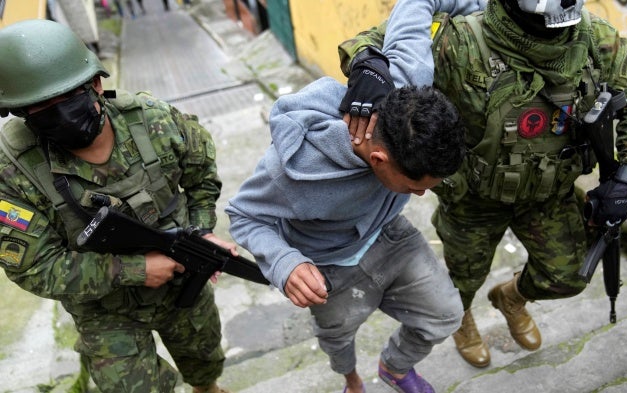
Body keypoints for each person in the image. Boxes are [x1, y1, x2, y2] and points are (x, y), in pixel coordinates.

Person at [338, 0, 627, 368]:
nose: (556, 33)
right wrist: (369, 64)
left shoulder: (594, 39)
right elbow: (374, 41)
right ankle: (462, 319)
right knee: (462, 280)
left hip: (547, 194)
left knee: (568, 276)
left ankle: (511, 298)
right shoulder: (459, 39)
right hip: (473, 198)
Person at [0, 19, 232, 393]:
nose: (60, 114)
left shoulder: (151, 119)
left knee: (205, 362)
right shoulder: (13, 171)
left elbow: (201, 173)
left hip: (182, 280)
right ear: (22, 112)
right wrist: (132, 269)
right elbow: (35, 268)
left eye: (68, 98)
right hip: (103, 309)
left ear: (95, 84)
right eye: (42, 107)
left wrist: (202, 231)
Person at [226, 78, 467, 393]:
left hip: (390, 236)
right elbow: (243, 215)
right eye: (413, 186)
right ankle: (352, 383)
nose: (420, 195)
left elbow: (408, 32)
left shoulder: (400, 93)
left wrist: (369, 58)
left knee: (447, 314)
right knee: (337, 340)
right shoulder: (293, 173)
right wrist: (285, 262)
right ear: (379, 159)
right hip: (329, 269)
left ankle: (395, 369)